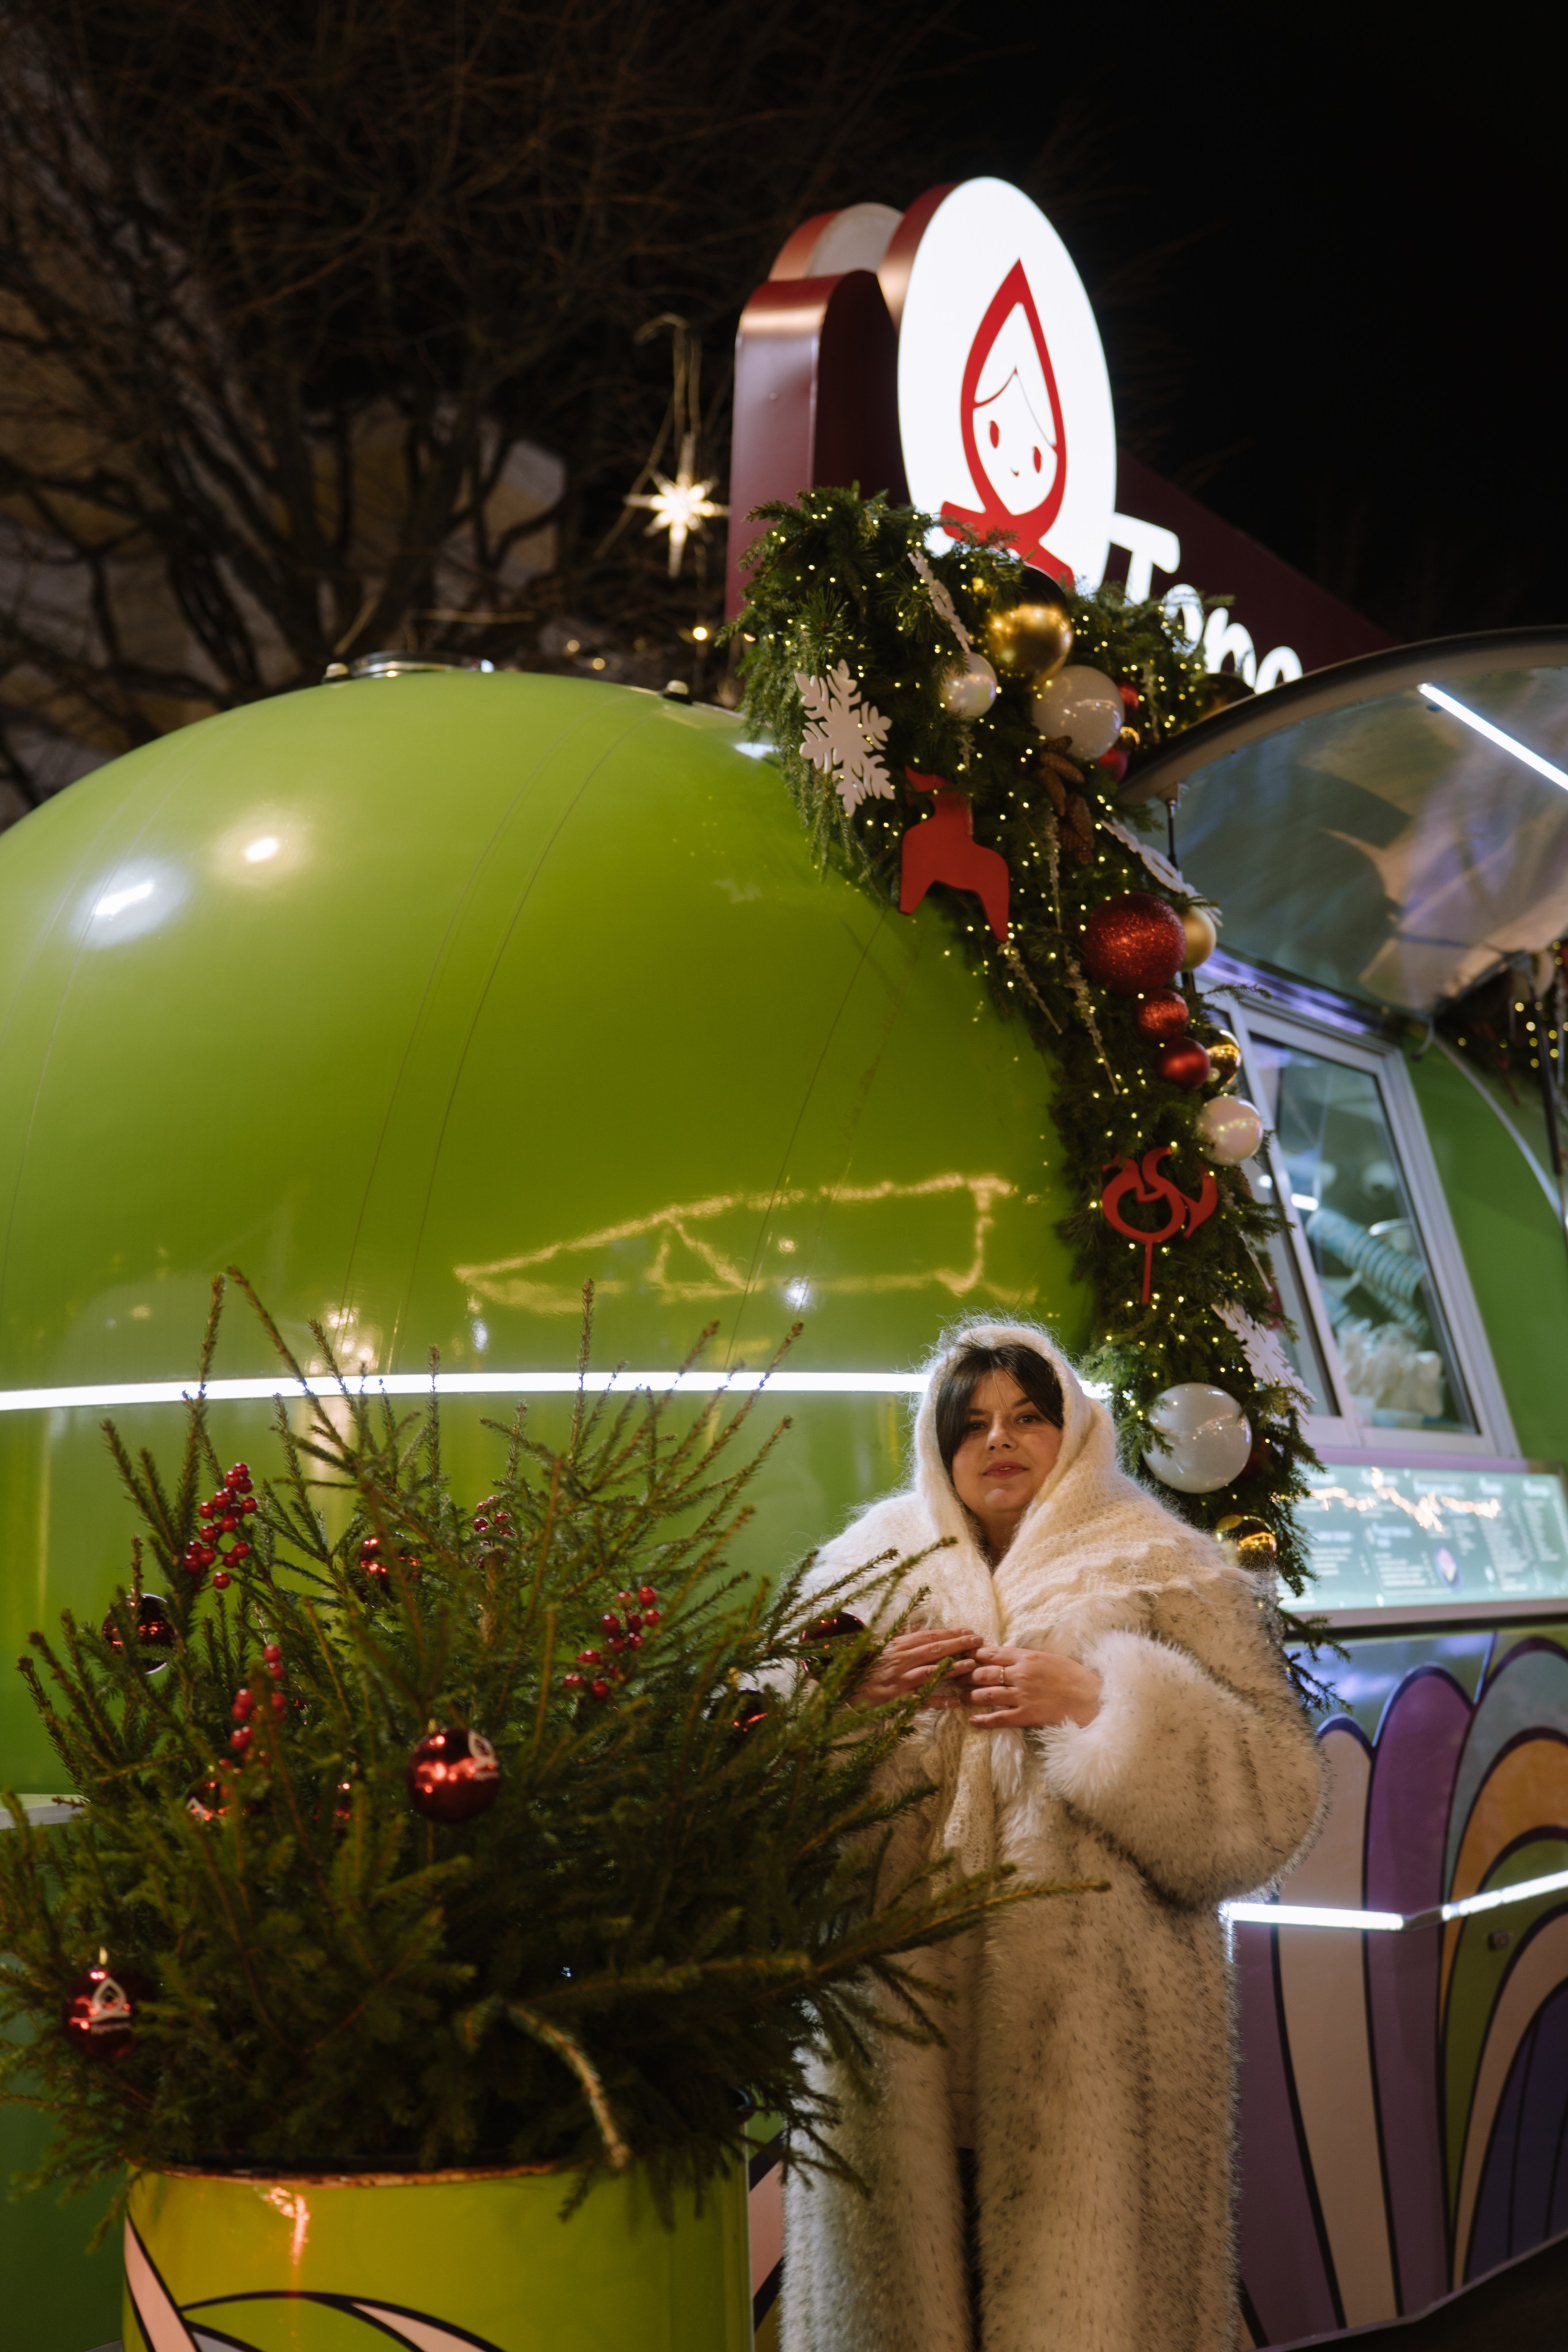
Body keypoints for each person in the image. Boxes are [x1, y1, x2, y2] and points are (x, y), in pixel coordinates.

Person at [780, 1320, 1324, 2352]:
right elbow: (764, 1798)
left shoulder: (1172, 1566)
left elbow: (1276, 1797)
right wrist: (852, 1705)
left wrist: (1100, 1704)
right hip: (895, 2036)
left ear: (1071, 1426)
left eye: (1027, 1415)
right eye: (973, 1423)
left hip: (1099, 2047)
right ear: (939, 1448)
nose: (1000, 1441)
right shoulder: (855, 1573)